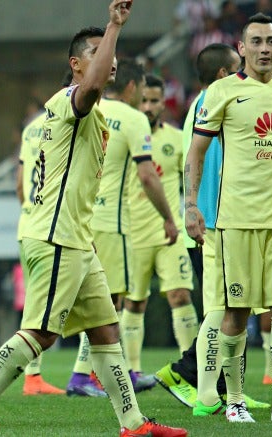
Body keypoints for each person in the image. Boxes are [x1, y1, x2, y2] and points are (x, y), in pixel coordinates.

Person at [0, 2, 187, 436]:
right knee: (41, 333)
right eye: (98, 52)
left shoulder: (80, 113)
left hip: (76, 238)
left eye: (110, 52)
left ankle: (133, 423)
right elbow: (95, 84)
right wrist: (115, 26)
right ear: (75, 65)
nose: (109, 59)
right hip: (56, 237)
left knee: (105, 331)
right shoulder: (71, 102)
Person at [158, 37, 272, 419]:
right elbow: (225, 160)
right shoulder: (224, 100)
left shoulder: (223, 102)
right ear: (229, 69)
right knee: (227, 311)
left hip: (240, 220)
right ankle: (208, 392)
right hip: (222, 223)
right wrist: (194, 208)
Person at [89, 57, 179, 393]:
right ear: (131, 87)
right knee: (108, 302)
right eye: (142, 89)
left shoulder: (88, 107)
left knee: (95, 301)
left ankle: (98, 375)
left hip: (82, 217)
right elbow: (147, 175)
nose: (143, 96)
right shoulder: (132, 118)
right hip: (112, 221)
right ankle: (93, 375)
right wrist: (170, 218)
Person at [123, 73, 199, 374]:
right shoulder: (125, 134)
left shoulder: (177, 139)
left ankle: (191, 370)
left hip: (171, 232)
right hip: (132, 232)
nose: (148, 107)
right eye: (143, 100)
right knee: (133, 303)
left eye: (154, 101)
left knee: (180, 295)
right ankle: (133, 371)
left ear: (163, 103)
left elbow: (193, 175)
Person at [15, 71, 70, 397]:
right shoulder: (72, 123)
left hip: (29, 224)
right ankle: (32, 376)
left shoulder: (32, 127)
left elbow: (21, 183)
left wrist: (32, 211)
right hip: (57, 227)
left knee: (37, 301)